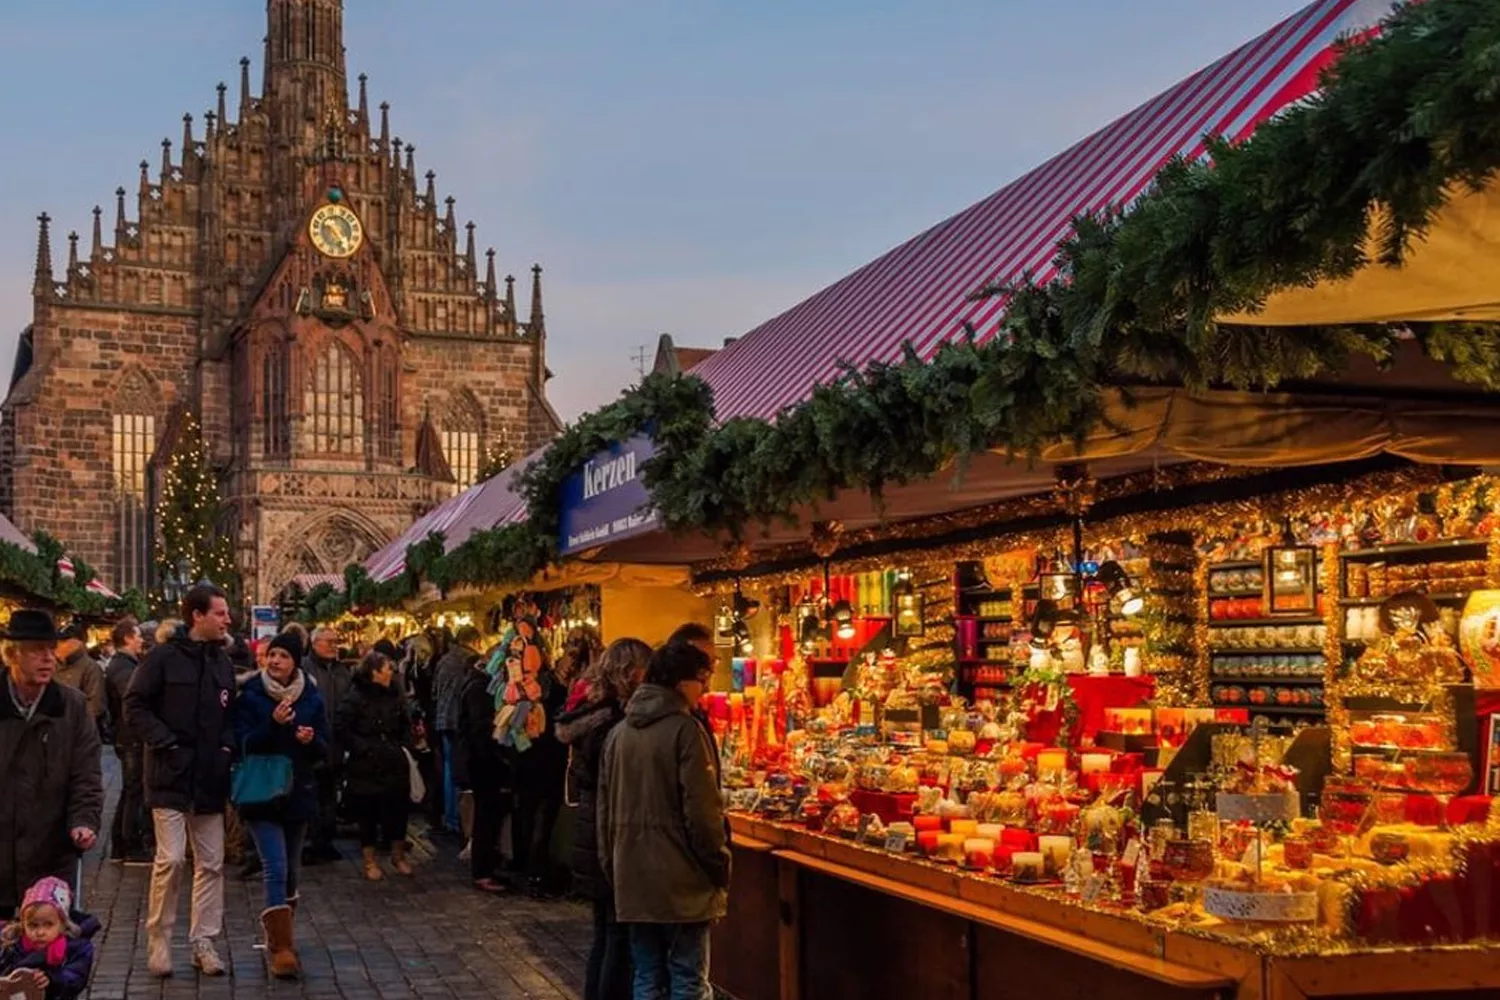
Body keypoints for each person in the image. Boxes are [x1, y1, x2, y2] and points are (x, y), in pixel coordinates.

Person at [599, 638, 728, 1000]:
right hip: (682, 879)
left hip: (633, 877)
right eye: (702, 680)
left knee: (647, 975)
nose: (705, 690)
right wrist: (719, 865)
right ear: (681, 682)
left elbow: (604, 815)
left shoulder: (619, 734)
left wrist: (613, 867)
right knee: (688, 978)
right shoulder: (686, 732)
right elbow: (703, 814)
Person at [124, 584, 236, 978]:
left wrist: (226, 749)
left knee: (211, 863)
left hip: (209, 777)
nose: (227, 620)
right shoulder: (163, 659)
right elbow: (134, 704)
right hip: (170, 773)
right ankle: (160, 937)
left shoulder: (222, 662)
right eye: (220, 613)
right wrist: (165, 742)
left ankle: (203, 941)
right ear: (197, 616)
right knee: (170, 859)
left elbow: (230, 715)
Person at [232, 630, 329, 980]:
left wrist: (310, 739)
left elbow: (324, 746)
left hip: (296, 791)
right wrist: (272, 726)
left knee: (292, 869)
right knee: (274, 865)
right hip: (261, 793)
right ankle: (281, 949)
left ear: (295, 662)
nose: (275, 661)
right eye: (271, 654)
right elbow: (242, 742)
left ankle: (280, 934)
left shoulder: (312, 698)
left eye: (283, 656)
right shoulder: (251, 695)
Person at [558, 638, 650, 1000]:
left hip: (593, 833)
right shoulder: (612, 722)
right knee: (616, 938)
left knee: (606, 935)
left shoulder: (591, 714)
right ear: (630, 673)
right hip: (606, 835)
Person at [0, 609, 102, 917]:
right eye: (35, 651)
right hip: (2, 844)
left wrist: (84, 820)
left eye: (50, 649)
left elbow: (86, 771)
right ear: (11, 655)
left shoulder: (70, 705)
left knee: (47, 946)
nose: (47, 659)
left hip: (51, 845)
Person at [336, 651, 413, 881]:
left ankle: (398, 855)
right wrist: (363, 748)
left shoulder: (395, 694)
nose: (391, 671)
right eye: (387, 667)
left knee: (398, 808)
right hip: (366, 765)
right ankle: (369, 861)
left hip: (393, 760)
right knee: (367, 812)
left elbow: (404, 723)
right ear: (374, 672)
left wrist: (403, 744)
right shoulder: (355, 696)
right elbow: (341, 727)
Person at [452, 646, 510, 893]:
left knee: (491, 814)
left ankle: (487, 867)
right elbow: (480, 729)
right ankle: (482, 872)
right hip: (483, 762)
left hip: (485, 760)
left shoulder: (480, 685)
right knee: (486, 815)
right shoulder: (479, 688)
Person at [0, 876, 99, 1000]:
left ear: (63, 925)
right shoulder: (12, 944)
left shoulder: (76, 948)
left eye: (48, 925)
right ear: (23, 925)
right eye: (33, 925)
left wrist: (52, 979)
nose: (40, 932)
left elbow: (77, 977)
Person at [104, 618, 152, 865]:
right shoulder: (123, 667)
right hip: (130, 737)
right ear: (127, 639)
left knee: (130, 789)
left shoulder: (126, 664)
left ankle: (120, 844)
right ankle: (129, 843)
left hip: (127, 736)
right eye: (137, 635)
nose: (141, 639)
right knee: (134, 790)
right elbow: (133, 697)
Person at [301, 628, 350, 864]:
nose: (334, 645)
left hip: (335, 742)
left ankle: (326, 842)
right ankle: (309, 842)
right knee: (311, 792)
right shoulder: (304, 669)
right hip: (311, 742)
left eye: (336, 641)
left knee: (329, 794)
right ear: (315, 643)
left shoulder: (342, 672)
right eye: (329, 641)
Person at [430, 627, 480, 836]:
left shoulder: (444, 660)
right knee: (461, 771)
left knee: (449, 770)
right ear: (475, 641)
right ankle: (459, 819)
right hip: (459, 720)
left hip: (442, 719)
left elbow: (434, 691)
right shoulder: (471, 661)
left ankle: (450, 817)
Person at [52, 626, 104, 734]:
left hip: (78, 732)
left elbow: (96, 706)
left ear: (77, 643)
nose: (58, 645)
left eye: (63, 641)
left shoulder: (90, 668)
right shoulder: (52, 665)